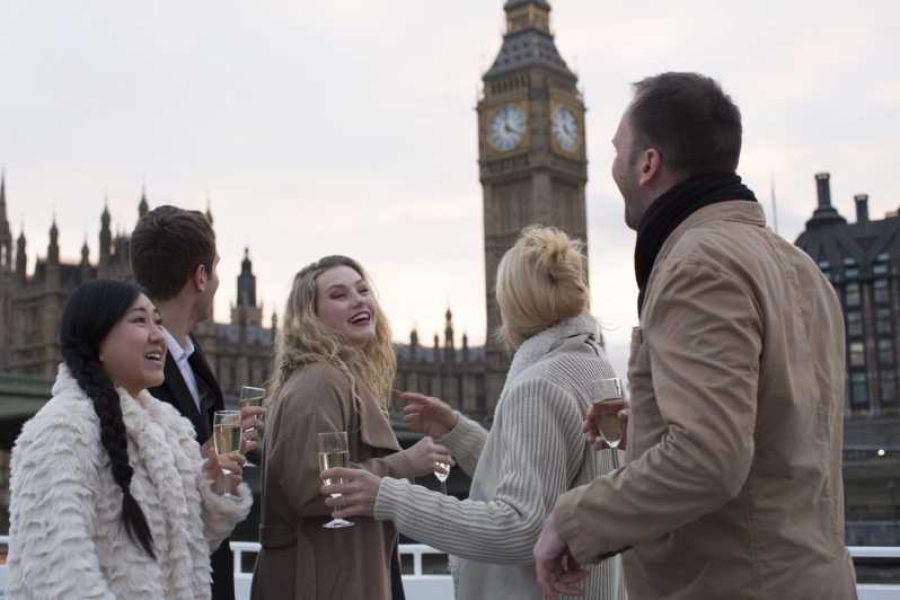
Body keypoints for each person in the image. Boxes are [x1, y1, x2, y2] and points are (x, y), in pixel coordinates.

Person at [534, 72, 858, 600]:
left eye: (618, 148)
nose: (610, 164)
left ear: (648, 163)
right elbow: (779, 419)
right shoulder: (798, 266)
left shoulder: (698, 265)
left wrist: (573, 521)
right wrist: (654, 411)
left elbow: (709, 458)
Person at [323, 227, 624, 600]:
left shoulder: (538, 385)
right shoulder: (595, 367)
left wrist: (390, 497)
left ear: (513, 304)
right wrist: (457, 431)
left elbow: (519, 528)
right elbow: (540, 474)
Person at [6, 280, 252, 599]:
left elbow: (191, 544)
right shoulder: (61, 430)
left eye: (158, 322)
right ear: (98, 340)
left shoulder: (170, 429)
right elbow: (56, 573)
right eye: (139, 320)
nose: (157, 335)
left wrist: (218, 480)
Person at [250, 255, 453, 600]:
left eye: (363, 290)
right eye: (339, 294)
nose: (360, 299)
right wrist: (408, 462)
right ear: (310, 317)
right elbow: (314, 488)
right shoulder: (320, 381)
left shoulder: (343, 378)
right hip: (320, 583)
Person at [131, 204, 263, 600]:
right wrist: (203, 463)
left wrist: (221, 466)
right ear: (201, 277)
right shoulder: (132, 369)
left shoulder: (193, 361)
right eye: (216, 269)